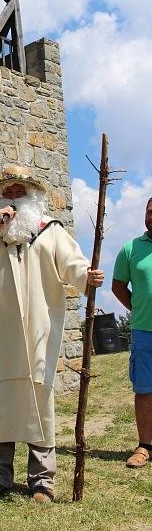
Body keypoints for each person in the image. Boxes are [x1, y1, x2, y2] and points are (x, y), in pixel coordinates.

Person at [0, 165, 103, 503]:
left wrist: (88, 277)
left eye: (19, 190)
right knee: (0, 402)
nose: (12, 196)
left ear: (32, 195)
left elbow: (73, 264)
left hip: (39, 332)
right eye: (6, 191)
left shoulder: (50, 231)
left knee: (39, 401)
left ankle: (42, 480)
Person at [112, 197, 152, 468]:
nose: (151, 217)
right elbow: (117, 286)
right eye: (150, 212)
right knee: (145, 389)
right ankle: (145, 446)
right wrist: (137, 307)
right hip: (143, 332)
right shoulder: (130, 249)